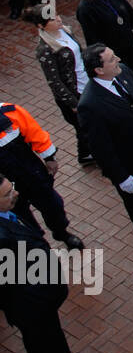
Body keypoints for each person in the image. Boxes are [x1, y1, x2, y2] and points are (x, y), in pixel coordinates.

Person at [0, 175, 112, 353]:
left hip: (30, 299)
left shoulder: (6, 216)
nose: (15, 193)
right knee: (50, 340)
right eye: (7, 193)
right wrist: (43, 294)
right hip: (30, 302)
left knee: (37, 340)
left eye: (11, 187)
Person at [76, 44, 133, 253]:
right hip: (129, 164)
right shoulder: (90, 104)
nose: (117, 59)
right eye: (111, 59)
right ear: (99, 70)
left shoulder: (123, 71)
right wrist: (120, 177)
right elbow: (100, 147)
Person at [0, 100, 83, 249]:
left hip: (32, 174)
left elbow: (34, 133)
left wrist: (49, 157)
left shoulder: (9, 112)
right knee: (20, 218)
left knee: (53, 206)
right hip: (5, 187)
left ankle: (61, 232)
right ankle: (37, 241)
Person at [26, 7, 94, 165]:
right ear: (41, 26)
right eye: (51, 19)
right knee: (83, 128)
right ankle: (85, 155)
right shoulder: (45, 50)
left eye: (56, 14)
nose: (58, 19)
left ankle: (88, 152)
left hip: (87, 83)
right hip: (74, 94)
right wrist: (73, 103)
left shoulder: (65, 31)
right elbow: (54, 81)